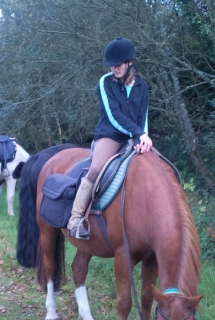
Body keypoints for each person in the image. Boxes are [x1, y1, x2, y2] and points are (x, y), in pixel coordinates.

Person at [67, 37, 152, 239]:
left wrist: (144, 136)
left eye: (118, 65)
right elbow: (114, 115)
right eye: (111, 65)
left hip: (136, 135)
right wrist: (138, 133)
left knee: (155, 165)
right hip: (110, 134)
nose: (114, 68)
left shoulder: (142, 86)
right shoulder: (105, 82)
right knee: (96, 169)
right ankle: (75, 220)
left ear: (130, 62)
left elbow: (144, 116)